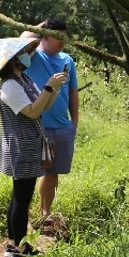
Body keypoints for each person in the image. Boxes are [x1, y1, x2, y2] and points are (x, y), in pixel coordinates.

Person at [0, 36, 68, 257]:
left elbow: (45, 105)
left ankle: (13, 245)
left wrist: (53, 88)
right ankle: (18, 248)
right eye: (24, 53)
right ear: (14, 59)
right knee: (22, 199)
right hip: (21, 147)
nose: (29, 56)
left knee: (19, 197)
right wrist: (48, 86)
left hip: (29, 145)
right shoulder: (9, 86)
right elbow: (33, 112)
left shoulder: (24, 80)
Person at [21, 19, 79, 230]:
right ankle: (23, 217)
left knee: (52, 172)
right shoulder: (33, 56)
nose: (62, 42)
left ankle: (45, 213)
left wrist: (74, 123)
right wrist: (42, 24)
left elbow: (73, 92)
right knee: (29, 174)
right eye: (58, 36)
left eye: (65, 37)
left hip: (62, 126)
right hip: (36, 125)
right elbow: (21, 40)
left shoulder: (68, 61)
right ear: (44, 34)